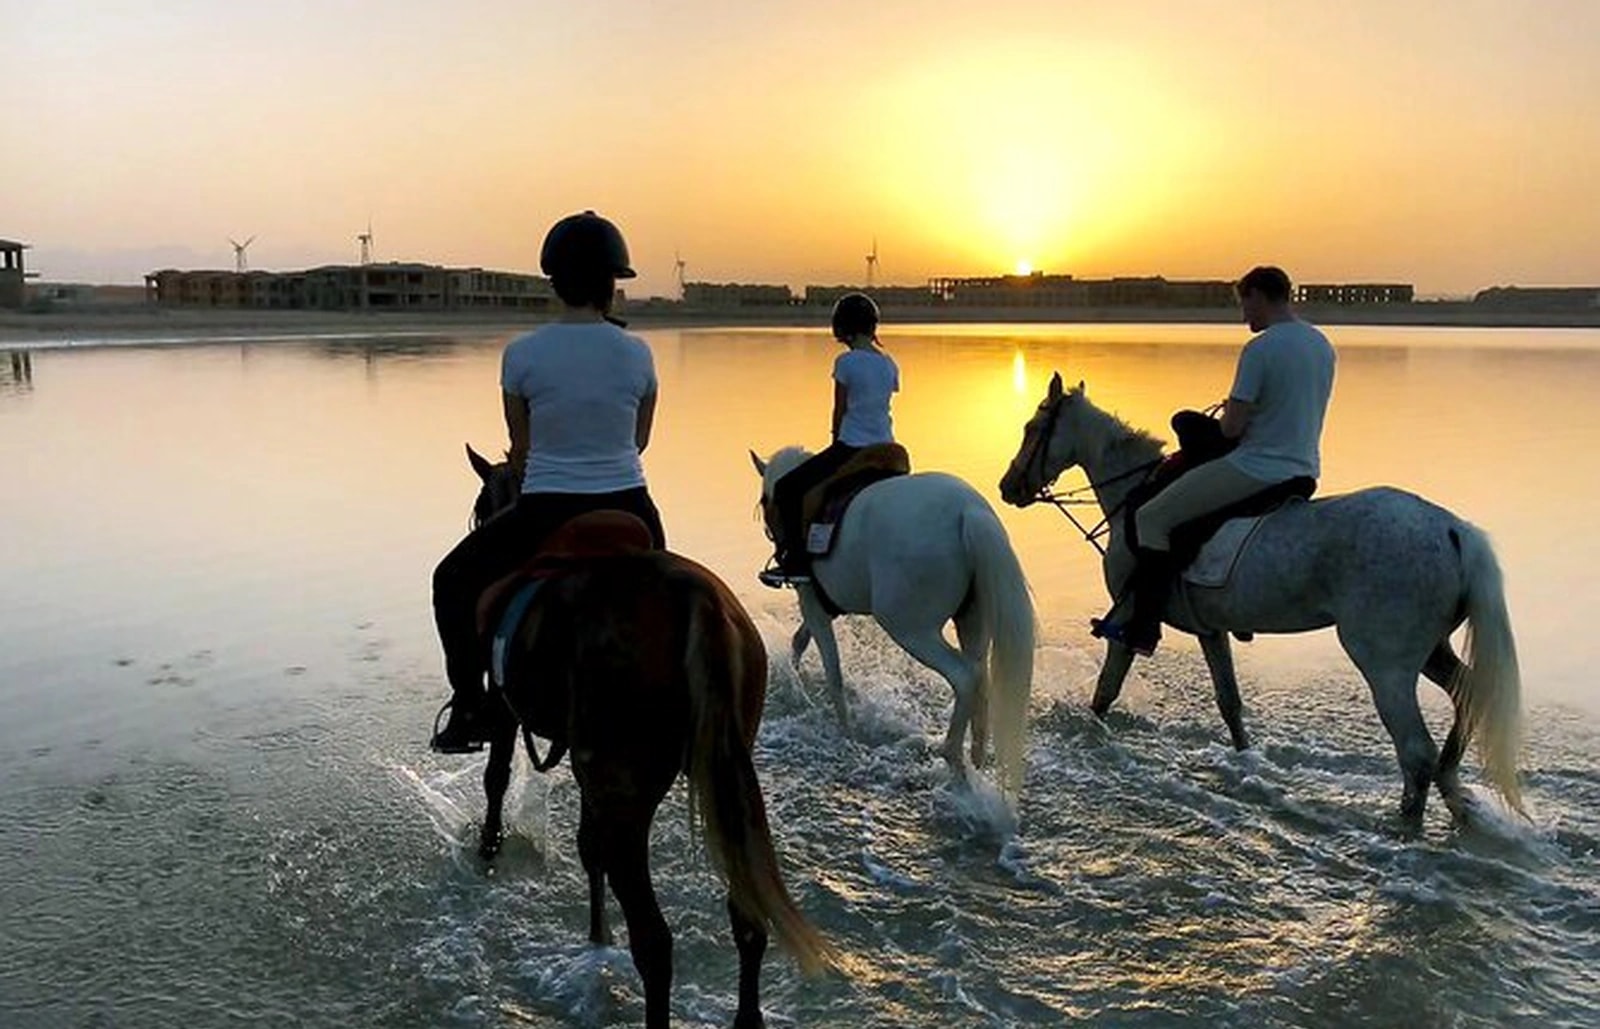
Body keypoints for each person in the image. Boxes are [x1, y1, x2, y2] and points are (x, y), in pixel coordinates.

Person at [429, 210, 666, 753]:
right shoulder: (639, 353)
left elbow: (522, 451)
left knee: (451, 580)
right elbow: (639, 441)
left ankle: (470, 708)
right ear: (612, 285)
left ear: (555, 284)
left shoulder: (522, 354)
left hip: (547, 511)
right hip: (633, 508)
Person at [1093, 265, 1336, 655]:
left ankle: (1143, 627)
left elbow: (1232, 430)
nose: (1244, 315)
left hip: (1256, 468)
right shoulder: (1321, 345)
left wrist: (1221, 416)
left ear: (1258, 295)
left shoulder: (1260, 349)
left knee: (1151, 517)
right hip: (1304, 470)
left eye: (1245, 304)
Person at [759, 292, 899, 588]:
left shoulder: (846, 362)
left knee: (786, 488)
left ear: (842, 328)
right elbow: (882, 404)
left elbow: (841, 409)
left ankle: (795, 562)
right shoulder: (889, 364)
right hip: (888, 448)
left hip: (853, 447)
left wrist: (836, 440)